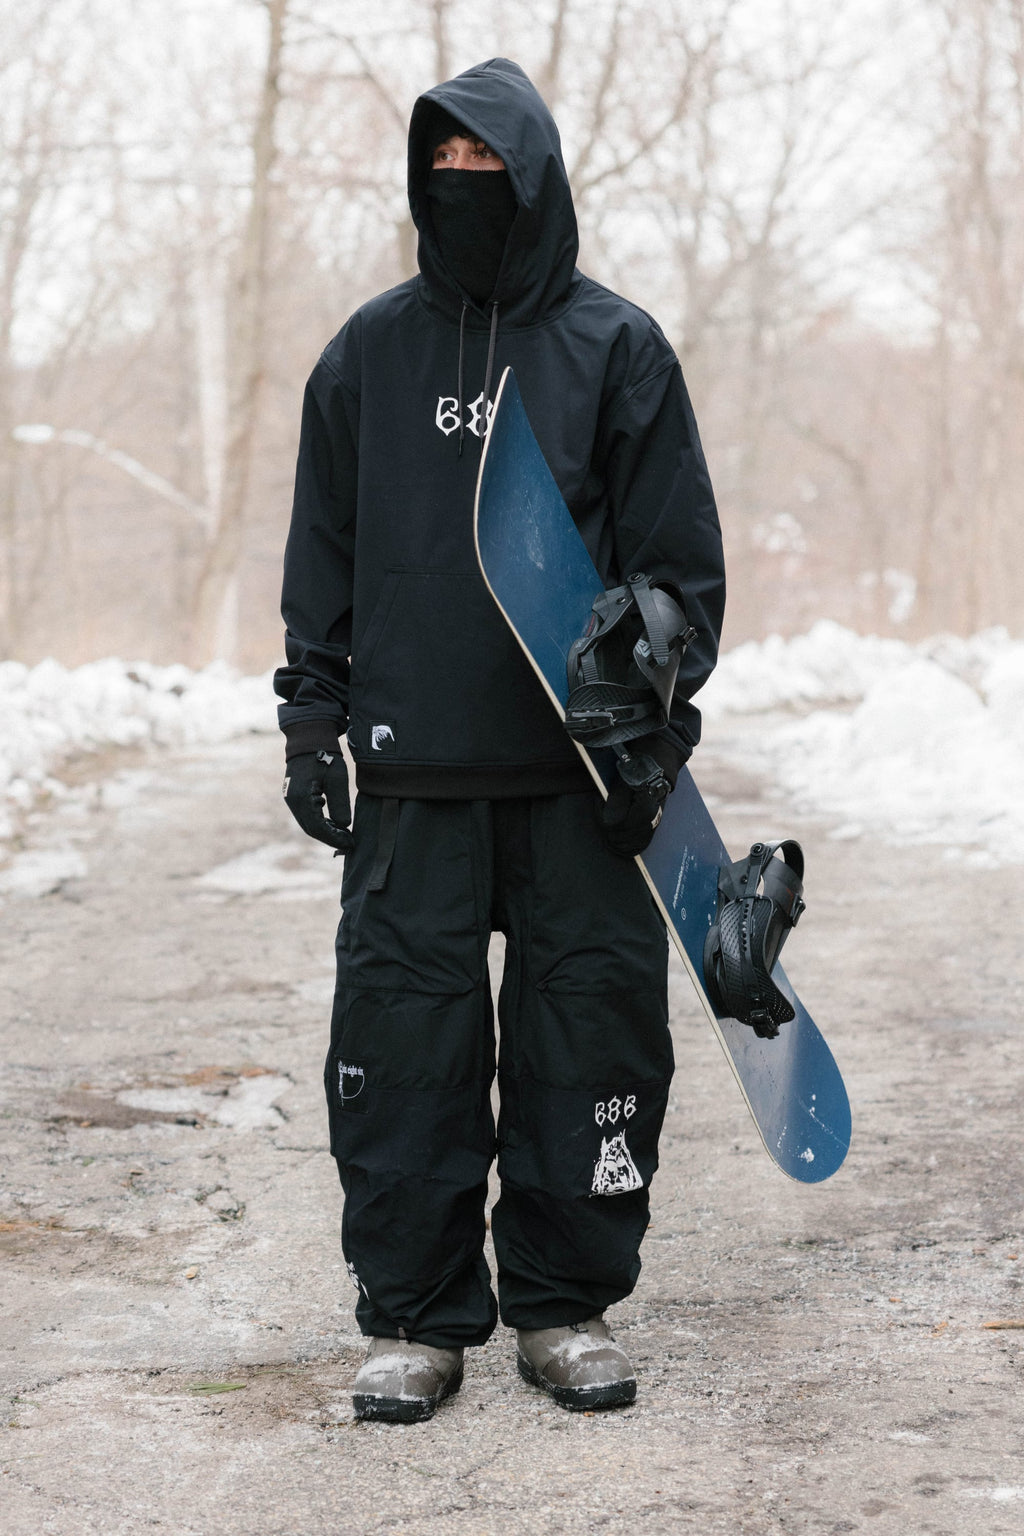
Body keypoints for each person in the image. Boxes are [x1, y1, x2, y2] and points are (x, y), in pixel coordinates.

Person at [275, 57, 725, 1423]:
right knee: (403, 1050)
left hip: (578, 780)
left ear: (537, 178)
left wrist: (646, 701)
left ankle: (564, 1303)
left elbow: (680, 570)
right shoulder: (370, 353)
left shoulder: (615, 348)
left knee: (589, 1041)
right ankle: (417, 1318)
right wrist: (312, 719)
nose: (464, 185)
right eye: (444, 165)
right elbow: (323, 553)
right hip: (413, 770)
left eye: (488, 164)